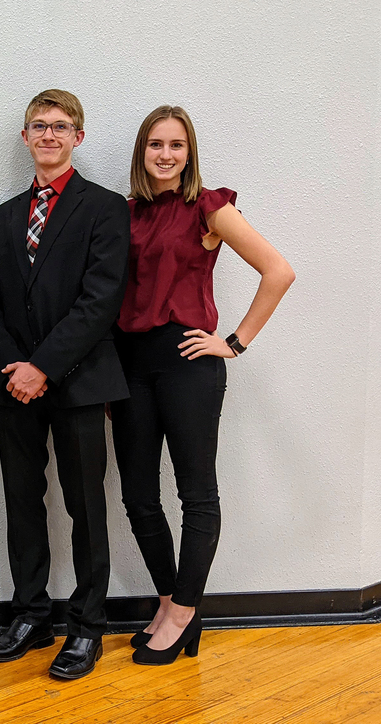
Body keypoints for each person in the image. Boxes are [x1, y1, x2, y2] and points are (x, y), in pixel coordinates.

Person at [112, 105, 295, 665]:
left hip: (187, 363)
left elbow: (279, 270)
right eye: (155, 145)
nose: (165, 155)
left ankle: (187, 611)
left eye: (176, 145)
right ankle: (169, 600)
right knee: (138, 495)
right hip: (130, 365)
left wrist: (234, 341)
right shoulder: (126, 213)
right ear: (141, 152)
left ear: (189, 153)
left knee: (196, 493)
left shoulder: (208, 208)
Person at [0, 89, 130, 680]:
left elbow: (99, 300)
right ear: (25, 137)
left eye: (61, 127)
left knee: (86, 507)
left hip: (81, 383)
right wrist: (19, 368)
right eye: (39, 126)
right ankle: (31, 614)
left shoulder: (105, 208)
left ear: (78, 138)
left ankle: (87, 626)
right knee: (22, 501)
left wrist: (45, 366)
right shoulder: (2, 218)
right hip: (15, 387)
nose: (49, 135)